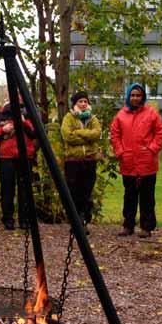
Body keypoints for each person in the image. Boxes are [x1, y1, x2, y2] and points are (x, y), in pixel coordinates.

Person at [110, 83, 162, 238]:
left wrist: (152, 149)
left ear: (143, 97)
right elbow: (114, 135)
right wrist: (120, 152)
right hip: (128, 162)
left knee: (147, 197)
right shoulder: (121, 115)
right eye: (132, 95)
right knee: (129, 196)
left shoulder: (152, 114)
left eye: (138, 95)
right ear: (128, 96)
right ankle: (128, 225)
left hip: (147, 163)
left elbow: (160, 133)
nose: (135, 98)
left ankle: (147, 227)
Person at [0, 96, 37, 230]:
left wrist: (24, 123)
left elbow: (35, 133)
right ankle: (8, 219)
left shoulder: (31, 112)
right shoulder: (1, 114)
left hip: (25, 155)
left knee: (25, 188)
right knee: (7, 188)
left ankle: (25, 220)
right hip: (6, 155)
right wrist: (2, 130)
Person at [60, 91, 101, 226]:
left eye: (85, 101)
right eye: (80, 101)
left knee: (87, 192)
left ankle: (84, 220)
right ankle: (75, 221)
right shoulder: (69, 118)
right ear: (75, 104)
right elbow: (68, 136)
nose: (83, 104)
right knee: (74, 192)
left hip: (89, 160)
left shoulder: (93, 118)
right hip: (73, 161)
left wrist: (78, 132)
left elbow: (96, 134)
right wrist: (86, 137)